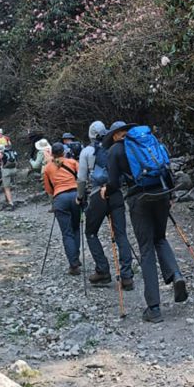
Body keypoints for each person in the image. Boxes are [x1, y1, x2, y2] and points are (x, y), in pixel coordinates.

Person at [101, 121, 187, 323]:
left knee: (146, 248)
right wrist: (170, 196)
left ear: (115, 135)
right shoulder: (149, 141)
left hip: (139, 199)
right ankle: (175, 275)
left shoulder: (115, 150)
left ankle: (154, 308)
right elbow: (165, 167)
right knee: (160, 239)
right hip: (162, 193)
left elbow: (114, 182)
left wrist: (107, 190)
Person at [77, 121, 135, 290]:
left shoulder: (87, 151)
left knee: (91, 232)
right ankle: (127, 276)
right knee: (121, 234)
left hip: (98, 195)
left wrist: (80, 197)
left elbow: (81, 178)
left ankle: (102, 270)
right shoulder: (117, 147)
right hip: (116, 193)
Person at [43, 142, 83, 275]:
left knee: (67, 233)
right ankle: (76, 257)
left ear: (52, 154)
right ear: (64, 152)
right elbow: (82, 178)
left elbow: (48, 189)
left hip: (60, 198)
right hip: (75, 195)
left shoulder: (48, 168)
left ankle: (73, 264)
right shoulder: (72, 162)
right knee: (76, 228)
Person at [0, 141, 20, 209]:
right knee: (8, 184)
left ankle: (11, 203)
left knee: (6, 188)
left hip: (6, 171)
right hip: (14, 170)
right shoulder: (12, 152)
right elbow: (16, 159)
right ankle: (7, 199)